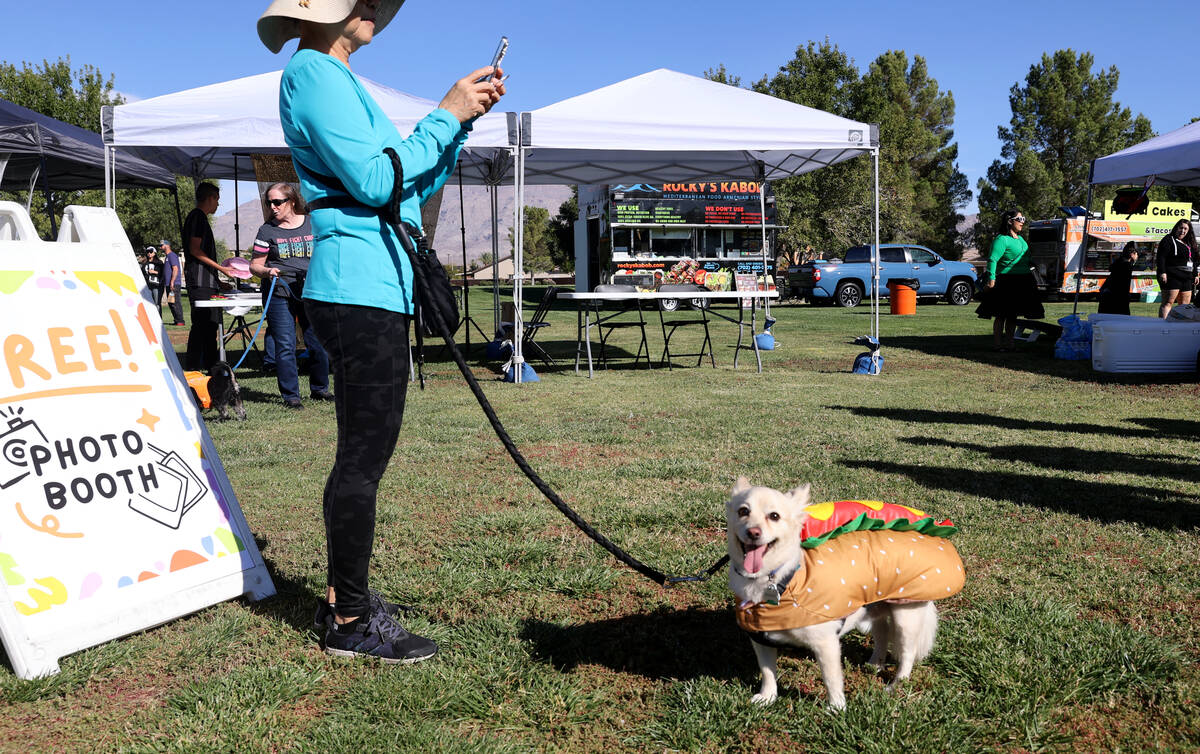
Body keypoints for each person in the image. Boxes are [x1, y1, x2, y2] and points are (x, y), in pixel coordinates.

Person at [259, 0, 504, 663]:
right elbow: (375, 181)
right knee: (362, 458)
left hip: (378, 287)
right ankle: (348, 620)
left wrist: (456, 126)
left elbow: (406, 189)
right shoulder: (312, 72)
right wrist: (444, 111)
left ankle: (348, 601)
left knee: (366, 454)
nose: (371, 9)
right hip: (355, 288)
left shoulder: (338, 77)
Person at [248, 183, 332, 408]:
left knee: (318, 342)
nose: (272, 207)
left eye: (277, 202)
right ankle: (291, 396)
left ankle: (320, 389)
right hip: (279, 292)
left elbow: (328, 252)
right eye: (269, 203)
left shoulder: (313, 223)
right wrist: (267, 271)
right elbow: (254, 266)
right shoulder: (266, 231)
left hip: (312, 291)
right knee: (285, 344)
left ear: (292, 201)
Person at [183, 182, 236, 370]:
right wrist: (223, 269)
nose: (218, 205)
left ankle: (211, 368)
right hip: (199, 283)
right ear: (210, 198)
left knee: (210, 327)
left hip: (206, 282)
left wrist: (218, 281)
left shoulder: (199, 218)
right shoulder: (197, 217)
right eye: (217, 200)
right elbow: (195, 251)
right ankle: (192, 369)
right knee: (201, 327)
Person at [976, 209, 1043, 351]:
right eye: (1020, 219)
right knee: (1001, 315)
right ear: (1010, 221)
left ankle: (1010, 343)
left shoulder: (1021, 239)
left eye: (1023, 219)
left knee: (1013, 315)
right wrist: (991, 280)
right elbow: (993, 260)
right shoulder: (1002, 239)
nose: (1022, 222)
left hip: (1022, 281)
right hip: (1006, 281)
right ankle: (997, 344)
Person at [1155, 219, 1197, 318]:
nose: (1183, 231)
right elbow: (1161, 257)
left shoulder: (1190, 242)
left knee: (1184, 306)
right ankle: (1163, 327)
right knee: (1168, 303)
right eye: (1181, 228)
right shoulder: (1168, 239)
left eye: (1185, 228)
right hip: (1172, 276)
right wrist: (1162, 272)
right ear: (1176, 228)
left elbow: (1194, 260)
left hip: (1187, 277)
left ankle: (1181, 328)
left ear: (1189, 230)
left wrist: (1195, 274)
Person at [1098, 243, 1138, 316]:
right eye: (1136, 254)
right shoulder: (1127, 265)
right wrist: (1127, 296)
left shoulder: (1118, 262)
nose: (1137, 256)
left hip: (1107, 295)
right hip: (1117, 297)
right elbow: (1125, 284)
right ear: (1132, 254)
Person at [161, 240, 186, 326]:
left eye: (162, 245)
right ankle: (176, 320)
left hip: (174, 283)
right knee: (171, 302)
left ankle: (180, 321)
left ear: (167, 245)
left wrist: (172, 281)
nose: (160, 247)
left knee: (176, 302)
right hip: (168, 283)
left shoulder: (172, 256)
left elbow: (175, 269)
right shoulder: (167, 256)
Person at [142, 247, 164, 313]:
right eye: (148, 252)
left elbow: (162, 273)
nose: (149, 253)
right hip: (147, 286)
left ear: (154, 253)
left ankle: (159, 318)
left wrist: (154, 272)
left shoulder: (159, 262)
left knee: (156, 303)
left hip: (156, 285)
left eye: (151, 252)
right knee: (148, 303)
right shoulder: (145, 262)